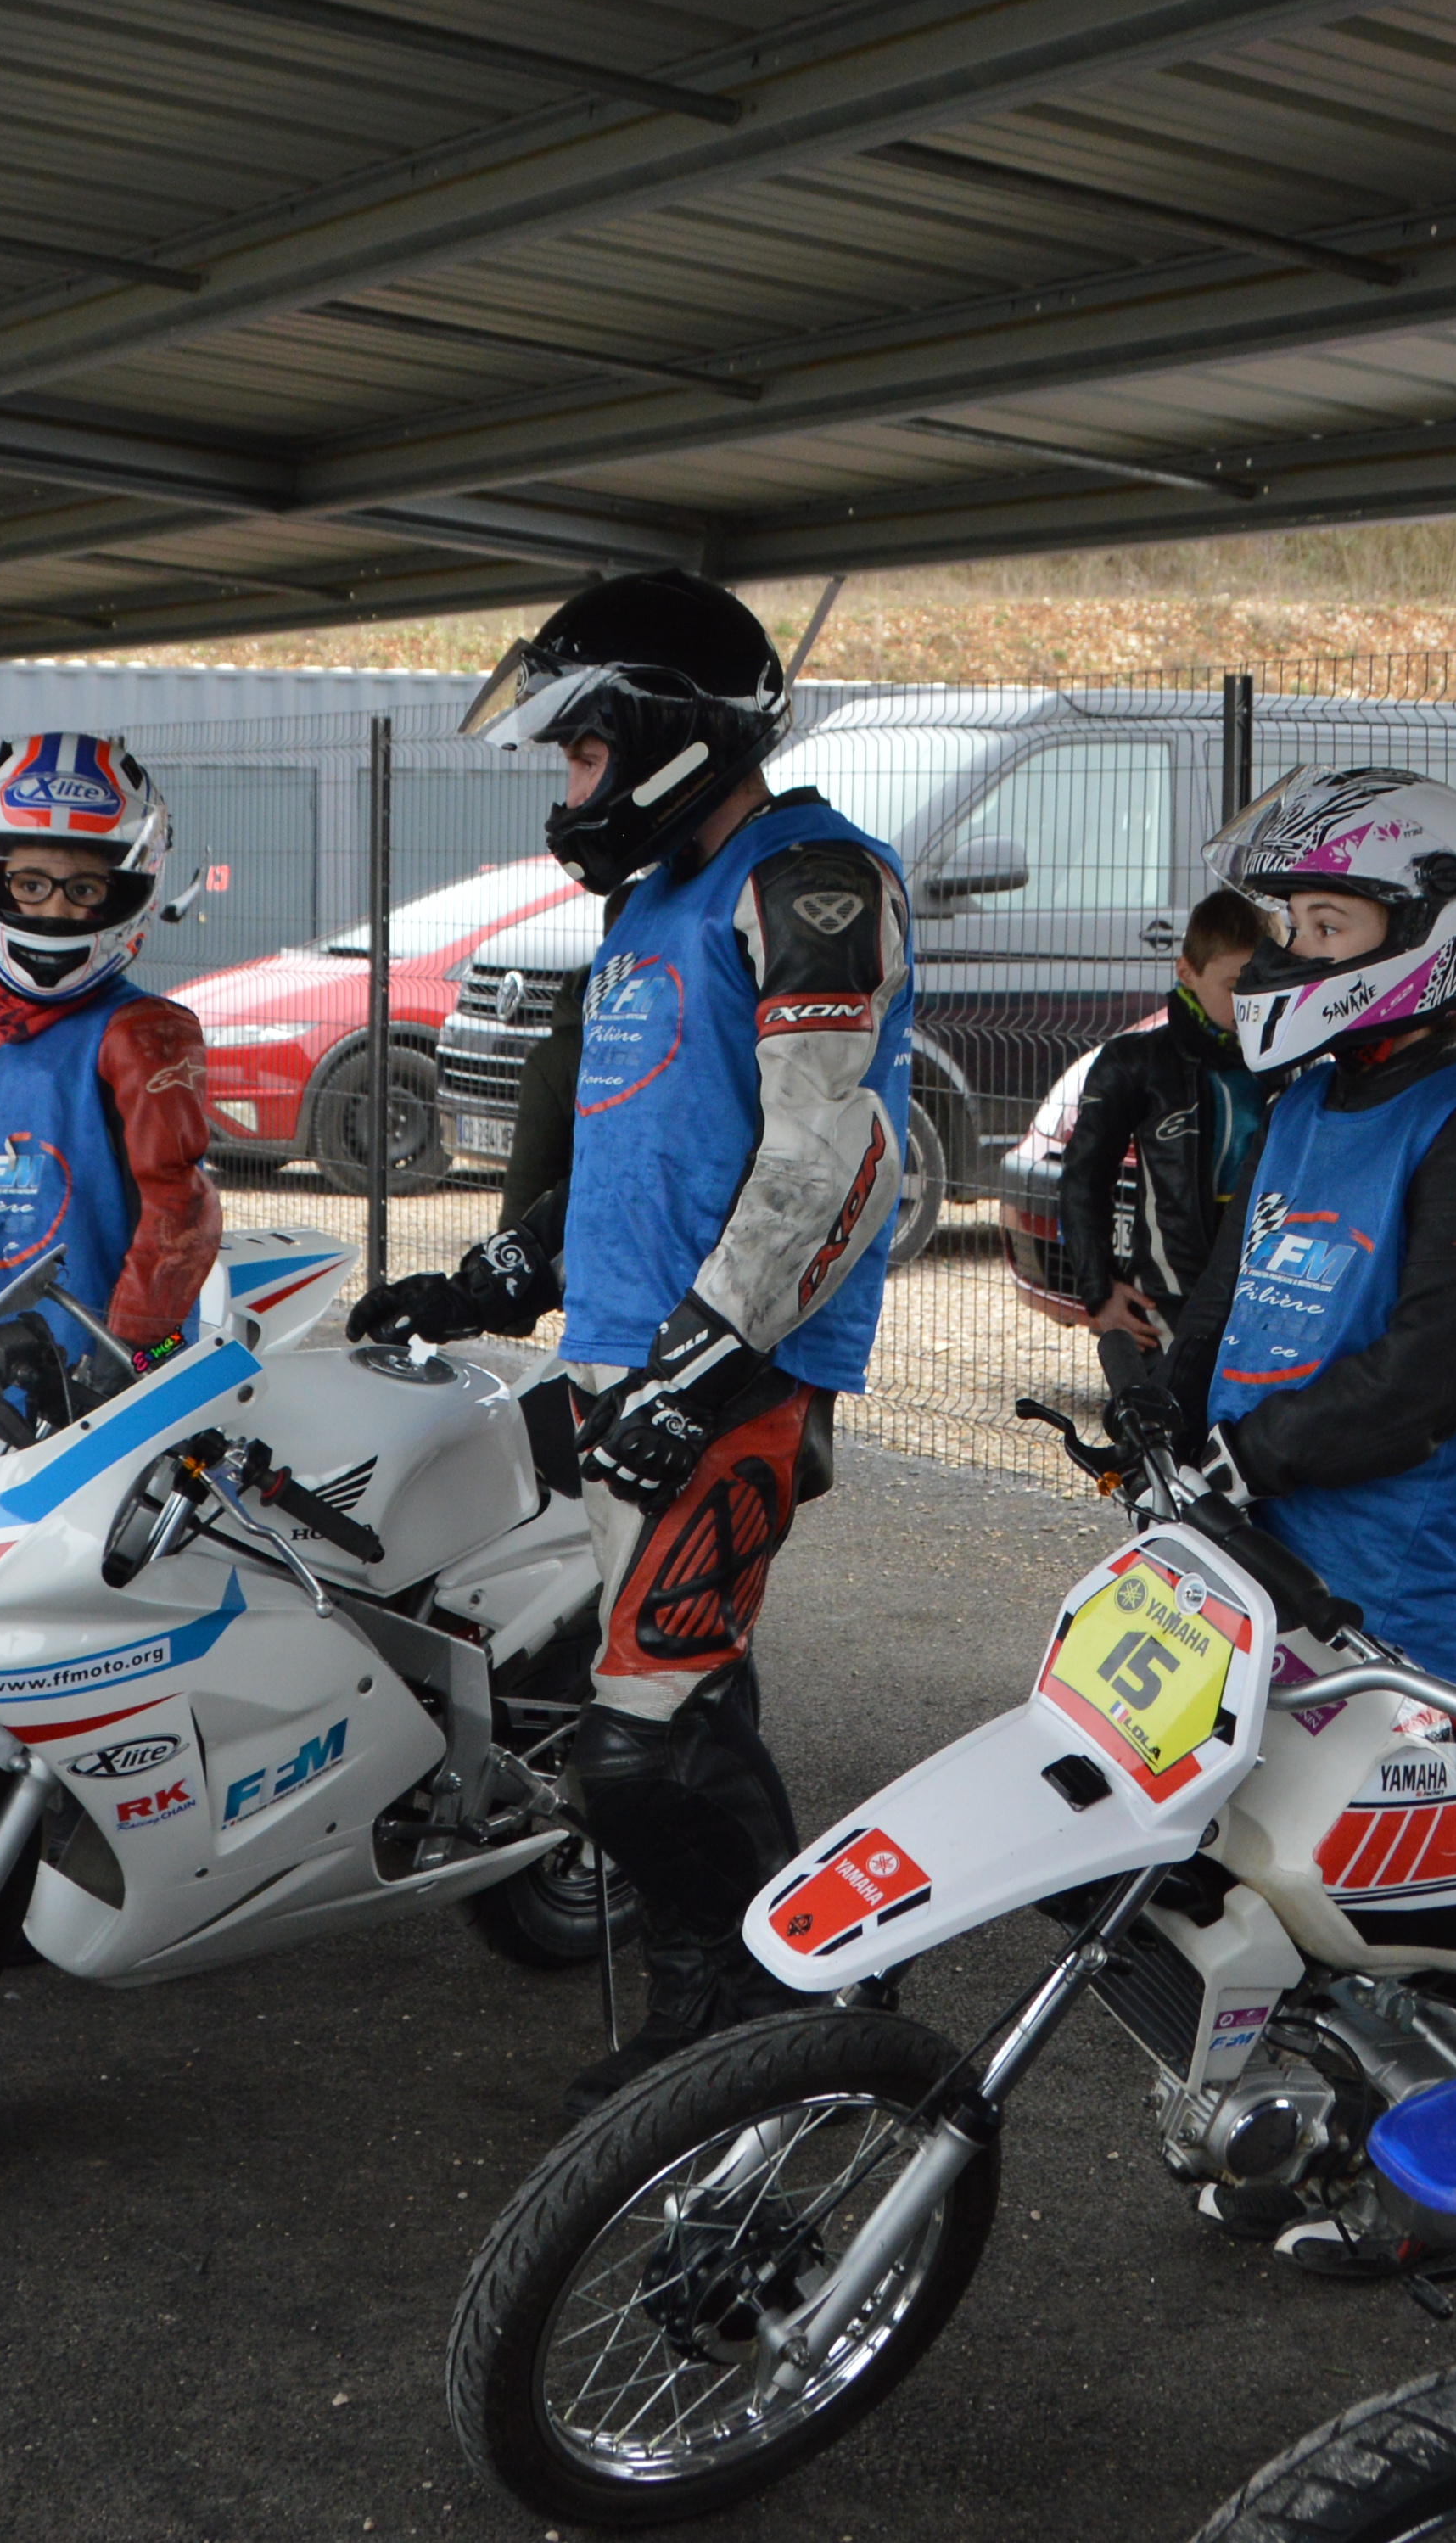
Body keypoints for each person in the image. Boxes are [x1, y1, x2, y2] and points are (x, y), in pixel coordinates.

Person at [346, 572, 908, 2120]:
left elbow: (838, 1160)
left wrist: (707, 1365)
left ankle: (748, 2012)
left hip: (725, 1382)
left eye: (580, 751)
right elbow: (639, 1142)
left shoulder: (812, 879)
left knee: (638, 1746)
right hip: (624, 1364)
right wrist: (495, 1275)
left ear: (666, 731)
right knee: (688, 1703)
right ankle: (786, 1989)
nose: (567, 785)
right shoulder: (652, 896)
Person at [1160, 766, 1456, 1703]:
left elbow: (1429, 1378)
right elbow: (1228, 1293)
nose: (1294, 952)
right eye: (1293, 926)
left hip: (1382, 1588)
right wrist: (1167, 1403)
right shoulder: (1305, 1100)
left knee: (1326, 1850)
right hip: (1242, 1545)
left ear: (1425, 931)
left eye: (1326, 926)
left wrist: (1242, 1457)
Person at [0, 733, 217, 1377]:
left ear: (125, 889)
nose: (53, 909)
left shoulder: (142, 1034)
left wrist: (128, 1358)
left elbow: (181, 1214)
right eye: (31, 883)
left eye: (84, 890)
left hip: (85, 1392)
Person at [1047, 888, 1283, 1420]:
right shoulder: (1137, 1061)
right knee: (1166, 1462)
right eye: (1234, 985)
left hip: (1270, 1301)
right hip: (1168, 1309)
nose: (1249, 1001)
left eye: (1261, 985)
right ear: (1187, 971)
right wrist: (1098, 1292)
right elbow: (1083, 1179)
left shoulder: (1298, 1064)